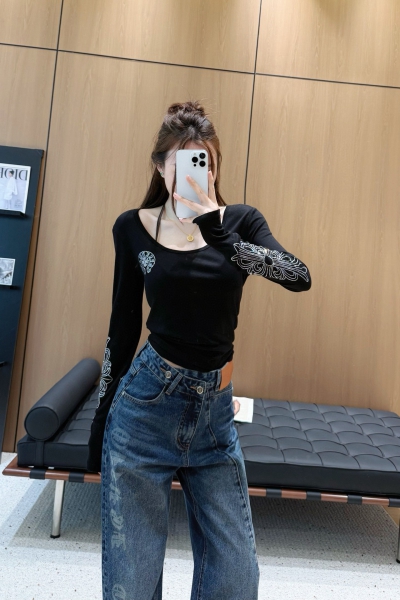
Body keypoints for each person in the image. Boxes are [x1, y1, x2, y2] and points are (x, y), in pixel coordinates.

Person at [87, 100, 311, 600]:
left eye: (203, 161)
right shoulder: (133, 227)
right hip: (143, 413)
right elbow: (122, 327)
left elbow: (298, 276)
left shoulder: (241, 222)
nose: (195, 172)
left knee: (236, 579)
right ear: (160, 166)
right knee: (131, 584)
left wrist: (218, 232)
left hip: (214, 419)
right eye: (183, 161)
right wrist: (101, 414)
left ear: (214, 166)